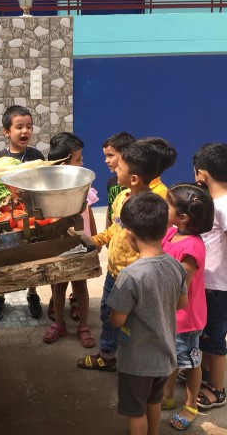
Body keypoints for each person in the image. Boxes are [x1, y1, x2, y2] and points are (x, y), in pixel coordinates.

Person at [108, 192, 188, 435]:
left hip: (137, 362)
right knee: (154, 402)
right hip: (165, 357)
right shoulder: (175, 266)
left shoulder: (131, 275)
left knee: (135, 412)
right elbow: (181, 303)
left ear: (130, 234)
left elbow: (117, 319)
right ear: (164, 228)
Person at [77, 141, 161, 372]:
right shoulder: (121, 196)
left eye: (119, 168)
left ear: (134, 178)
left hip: (137, 277)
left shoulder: (153, 207)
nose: (114, 170)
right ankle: (107, 355)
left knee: (135, 322)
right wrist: (95, 241)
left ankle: (136, 362)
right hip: (114, 272)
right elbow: (116, 227)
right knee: (108, 314)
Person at [161, 183, 214, 431]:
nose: (164, 208)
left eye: (168, 205)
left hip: (185, 318)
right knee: (171, 355)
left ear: (183, 218)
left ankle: (191, 405)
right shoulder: (172, 233)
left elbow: (182, 284)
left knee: (190, 362)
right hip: (169, 313)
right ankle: (168, 393)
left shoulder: (191, 246)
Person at [42, 132, 97, 349]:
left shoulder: (83, 184)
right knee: (58, 285)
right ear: (64, 163)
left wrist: (94, 237)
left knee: (80, 285)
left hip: (80, 243)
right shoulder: (48, 186)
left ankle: (83, 326)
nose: (82, 163)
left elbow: (89, 212)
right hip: (57, 242)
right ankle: (59, 323)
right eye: (78, 159)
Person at [0, 105, 45, 320]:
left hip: (30, 214)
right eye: (19, 127)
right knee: (3, 253)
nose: (25, 131)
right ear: (6, 132)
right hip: (6, 216)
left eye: (29, 127)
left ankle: (32, 293)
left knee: (30, 253)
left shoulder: (36, 155)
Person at [194, 143, 227, 411]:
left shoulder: (222, 206)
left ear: (201, 175)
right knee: (206, 333)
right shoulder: (216, 204)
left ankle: (217, 387)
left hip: (219, 285)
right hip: (210, 283)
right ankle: (203, 373)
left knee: (215, 338)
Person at [102, 132, 135, 229]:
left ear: (125, 155)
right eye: (105, 156)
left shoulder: (134, 183)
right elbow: (110, 210)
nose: (106, 160)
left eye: (110, 155)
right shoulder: (111, 182)